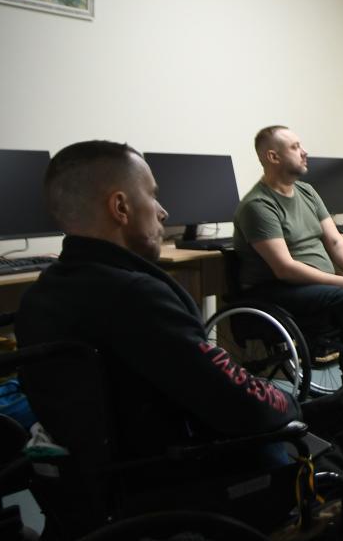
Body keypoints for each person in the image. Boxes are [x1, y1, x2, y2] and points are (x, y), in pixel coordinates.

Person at [15, 140, 301, 467]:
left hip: (87, 482)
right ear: (120, 207)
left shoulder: (40, 294)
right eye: (152, 195)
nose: (163, 211)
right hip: (172, 474)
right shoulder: (135, 296)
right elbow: (240, 406)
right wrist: (291, 402)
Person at [233, 125, 343, 383]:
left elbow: (335, 241)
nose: (304, 152)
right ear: (273, 157)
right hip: (279, 289)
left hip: (317, 287)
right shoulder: (258, 205)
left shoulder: (307, 192)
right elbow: (285, 268)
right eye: (295, 147)